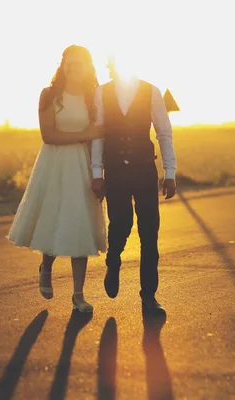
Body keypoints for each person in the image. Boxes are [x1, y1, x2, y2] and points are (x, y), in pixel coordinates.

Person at [7, 45, 107, 313]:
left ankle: (78, 294)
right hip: (54, 165)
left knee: (80, 223)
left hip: (83, 166)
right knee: (54, 218)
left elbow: (102, 132)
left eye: (79, 63)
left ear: (88, 66)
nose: (73, 68)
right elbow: (48, 135)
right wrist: (85, 134)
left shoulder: (92, 96)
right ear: (62, 65)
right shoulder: (49, 95)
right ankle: (46, 267)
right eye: (68, 63)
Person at [91, 56, 177, 314]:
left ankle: (149, 295)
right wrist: (97, 173)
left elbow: (164, 132)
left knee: (150, 233)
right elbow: (98, 134)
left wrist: (169, 172)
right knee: (121, 222)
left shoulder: (151, 91)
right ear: (110, 67)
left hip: (144, 170)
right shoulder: (101, 93)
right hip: (115, 170)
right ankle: (113, 258)